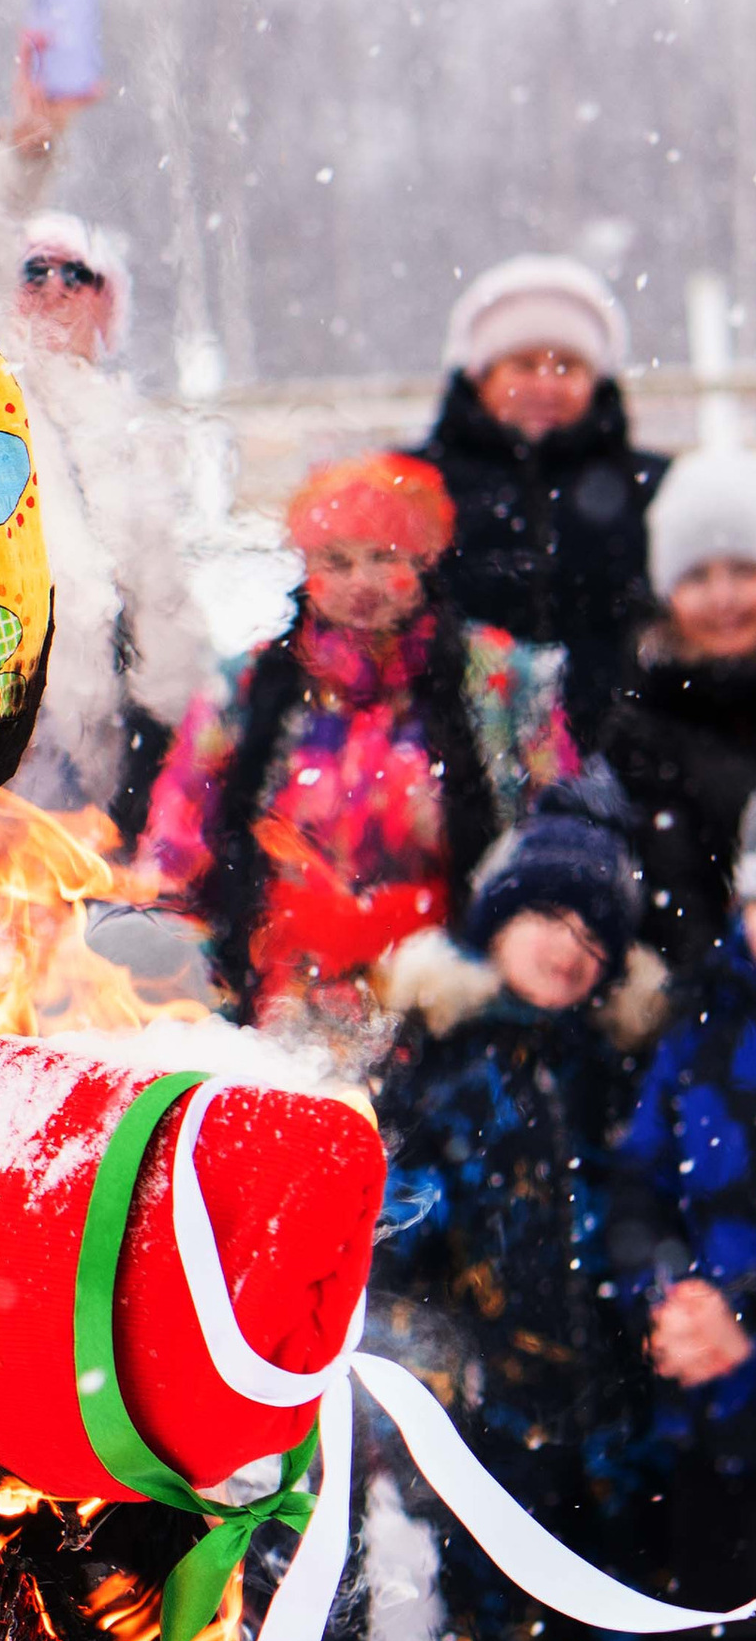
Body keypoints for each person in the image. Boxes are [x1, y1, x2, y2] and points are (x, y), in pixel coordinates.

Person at [368, 779, 673, 1641]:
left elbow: (640, 1202)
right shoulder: (441, 1061)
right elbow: (394, 1235)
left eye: (593, 938)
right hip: (486, 1402)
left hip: (604, 1397)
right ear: (498, 920)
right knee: (500, 1623)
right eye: (547, 916)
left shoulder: (607, 1069)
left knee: (618, 1631)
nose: (566, 948)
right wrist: (432, 1353)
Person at [143, 451, 578, 1055]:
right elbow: (177, 844)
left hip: (455, 1007)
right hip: (276, 1013)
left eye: (384, 558)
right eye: (336, 562)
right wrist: (181, 973)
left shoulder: (503, 684)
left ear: (426, 562)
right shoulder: (246, 689)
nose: (360, 584)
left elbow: (558, 839)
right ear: (306, 568)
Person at [0, 45, 205, 832]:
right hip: (3, 730)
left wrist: (182, 736)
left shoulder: (130, 433)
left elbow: (166, 599)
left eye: (75, 276)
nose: (51, 288)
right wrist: (25, 156)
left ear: (105, 305)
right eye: (33, 271)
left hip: (116, 753)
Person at [612, 799, 756, 1641]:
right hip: (706, 1412)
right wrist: (668, 1297)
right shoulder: (701, 1019)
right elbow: (636, 1183)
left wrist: (743, 1311)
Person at [416, 254, 664, 745]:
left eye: (567, 365)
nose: (545, 384)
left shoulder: (651, 487)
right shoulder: (420, 485)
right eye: (524, 365)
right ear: (481, 376)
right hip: (454, 745)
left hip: (622, 746)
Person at [599, 444, 756, 983]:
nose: (725, 598)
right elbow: (671, 883)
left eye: (743, 569)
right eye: (697, 577)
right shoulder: (642, 722)